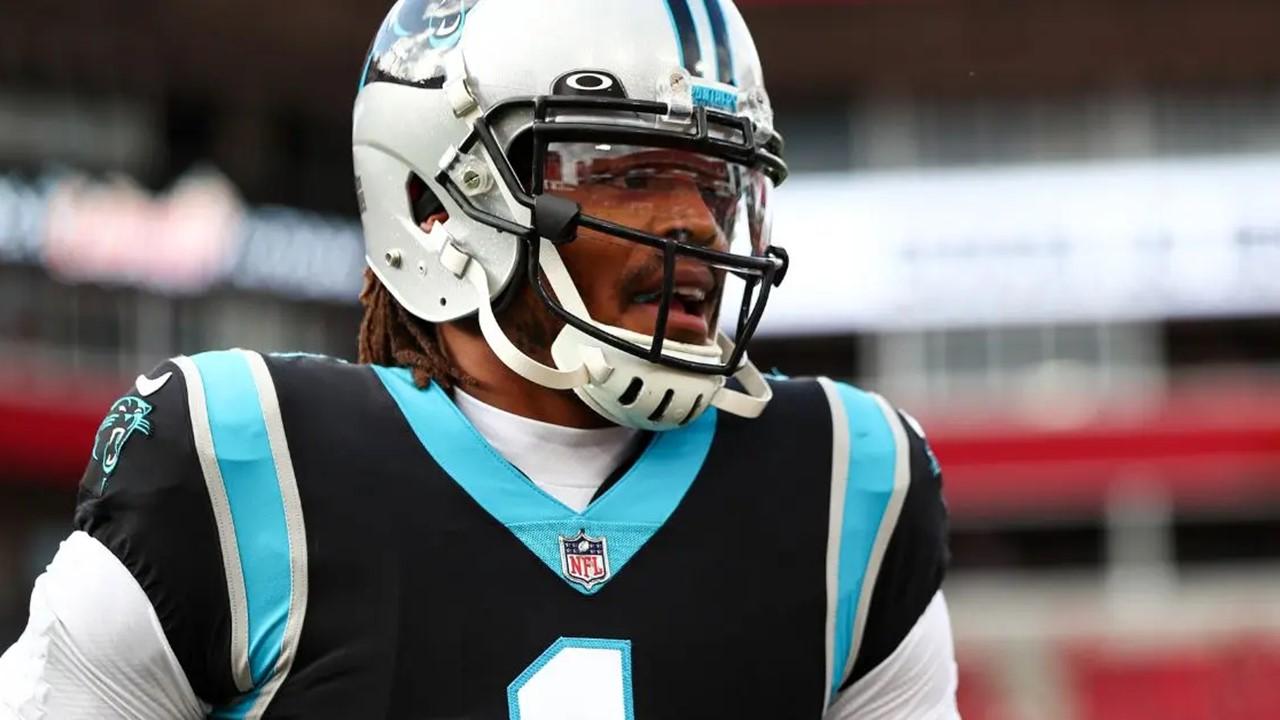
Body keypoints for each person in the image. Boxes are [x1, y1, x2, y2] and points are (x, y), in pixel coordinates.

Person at [0, 0, 958, 717]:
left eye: (716, 182)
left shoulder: (846, 488)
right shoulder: (240, 462)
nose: (692, 223)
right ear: (437, 201)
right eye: (628, 175)